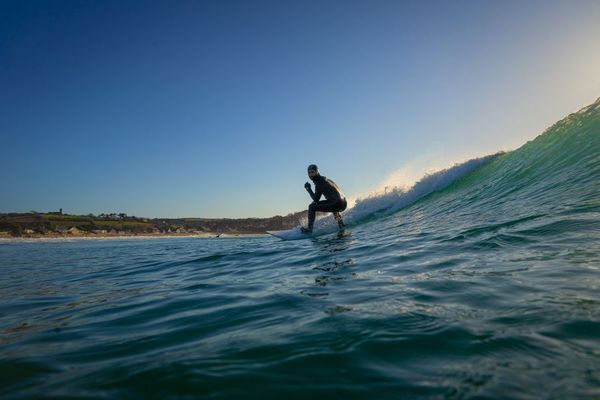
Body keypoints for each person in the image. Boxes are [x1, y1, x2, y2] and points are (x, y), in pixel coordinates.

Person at [301, 164, 347, 233]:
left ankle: (309, 229)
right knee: (332, 203)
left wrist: (308, 189)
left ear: (317, 172)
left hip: (337, 203)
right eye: (309, 173)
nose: (311, 174)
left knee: (311, 207)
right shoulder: (325, 179)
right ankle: (341, 224)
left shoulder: (319, 182)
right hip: (343, 202)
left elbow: (316, 199)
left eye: (312, 172)